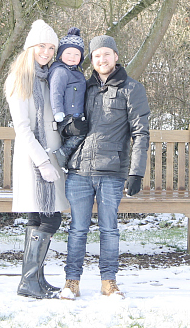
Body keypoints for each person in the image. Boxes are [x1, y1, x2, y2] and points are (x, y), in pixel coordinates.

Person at [60, 35, 150, 299]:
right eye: (97, 55)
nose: (102, 59)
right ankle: (72, 281)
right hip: (79, 170)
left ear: (116, 57)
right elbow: (62, 120)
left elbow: (140, 133)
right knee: (77, 229)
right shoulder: (81, 86)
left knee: (109, 229)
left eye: (106, 54)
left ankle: (108, 281)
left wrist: (136, 172)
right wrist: (70, 128)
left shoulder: (131, 89)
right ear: (92, 60)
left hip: (111, 171)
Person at [4, 19, 69, 299]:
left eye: (51, 47)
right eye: (42, 46)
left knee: (38, 217)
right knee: (50, 218)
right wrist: (42, 163)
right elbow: (23, 128)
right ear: (30, 46)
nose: (46, 52)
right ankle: (29, 281)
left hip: (50, 157)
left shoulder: (47, 77)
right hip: (35, 159)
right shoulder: (20, 78)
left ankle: (34, 280)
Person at [48, 27, 87, 170]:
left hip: (77, 115)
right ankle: (62, 154)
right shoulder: (60, 71)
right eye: (68, 53)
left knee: (82, 135)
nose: (72, 57)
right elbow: (56, 92)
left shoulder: (77, 73)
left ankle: (68, 161)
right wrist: (58, 111)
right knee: (80, 134)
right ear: (60, 55)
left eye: (76, 54)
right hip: (66, 116)